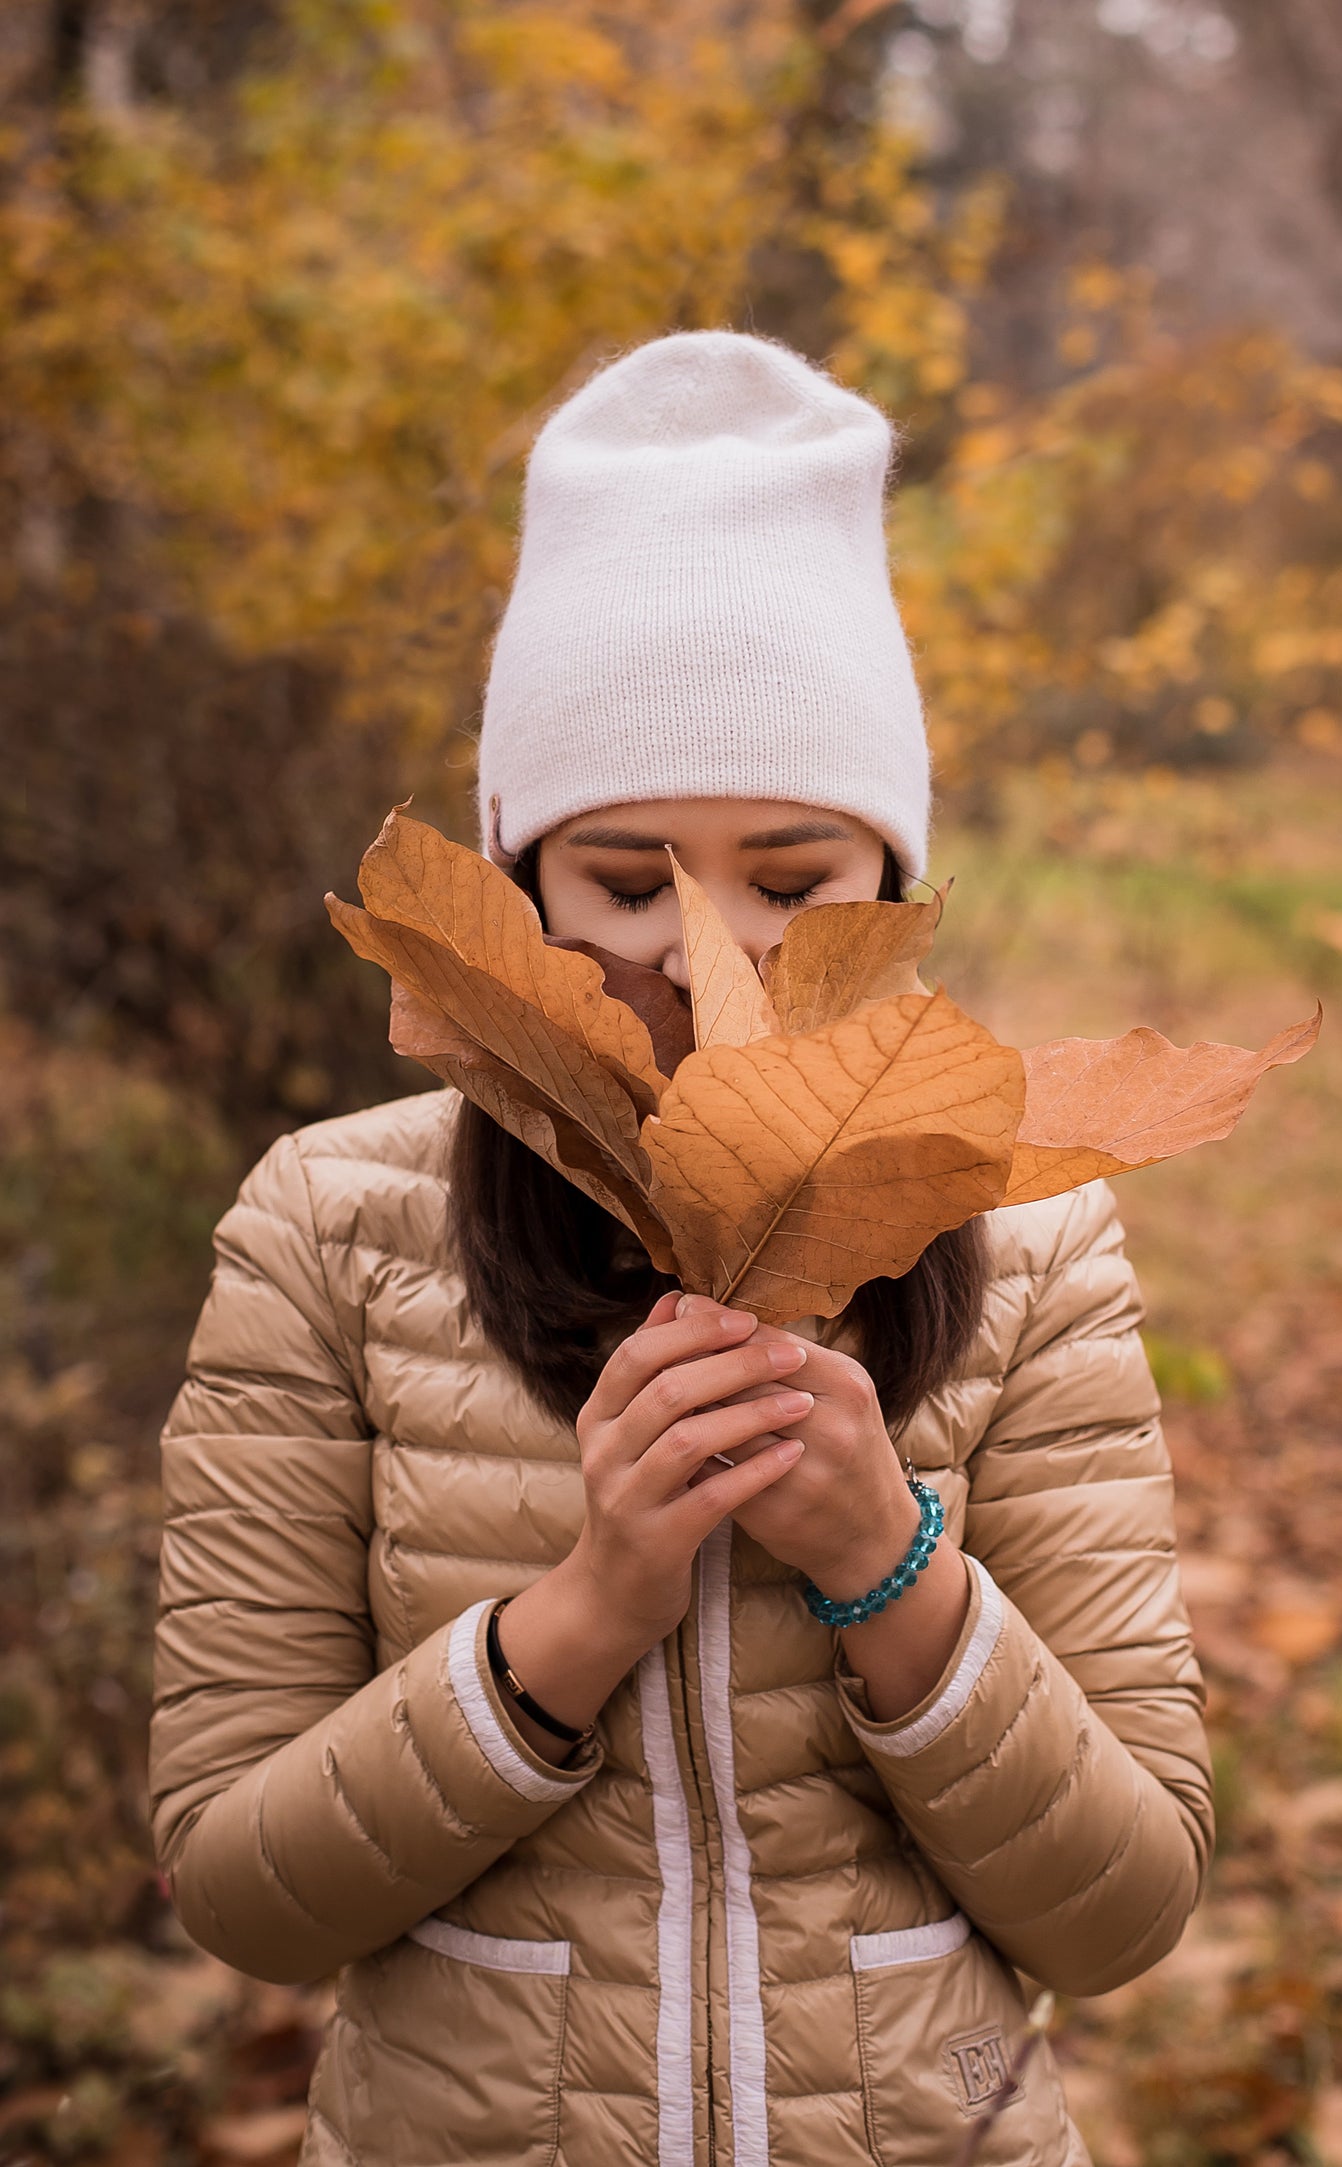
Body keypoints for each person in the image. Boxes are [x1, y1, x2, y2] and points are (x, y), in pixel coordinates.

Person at [148, 330, 1212, 2167]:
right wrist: (575, 1621)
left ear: (892, 890)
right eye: (626, 882)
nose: (707, 951)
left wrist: (891, 1570)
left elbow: (1120, 1917)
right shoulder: (332, 1229)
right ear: (510, 888)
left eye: (792, 882)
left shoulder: (1030, 1245)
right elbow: (243, 1896)